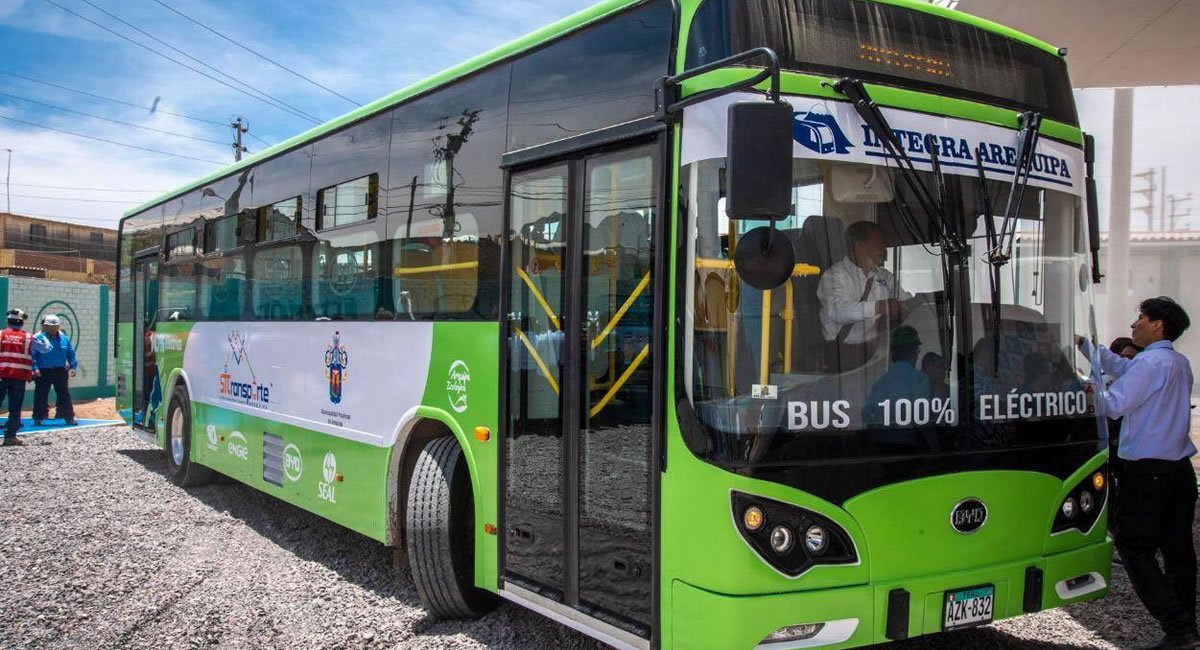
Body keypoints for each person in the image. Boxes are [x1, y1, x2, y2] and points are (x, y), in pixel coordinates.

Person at [1078, 296, 1194, 650]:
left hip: (1149, 472)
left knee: (1132, 545)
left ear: (1157, 325)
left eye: (1140, 318)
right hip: (1179, 471)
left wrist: (1089, 389)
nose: (1133, 325)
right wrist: (1087, 347)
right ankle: (1187, 627)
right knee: (1178, 550)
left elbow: (1113, 406)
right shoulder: (1176, 361)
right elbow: (1122, 369)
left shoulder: (1150, 364)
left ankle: (1177, 626)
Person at [817, 221, 912, 371]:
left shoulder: (884, 276)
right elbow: (837, 311)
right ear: (859, 245)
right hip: (845, 357)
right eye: (878, 242)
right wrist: (879, 307)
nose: (883, 248)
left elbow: (905, 301)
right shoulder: (834, 276)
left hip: (878, 351)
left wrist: (914, 304)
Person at [31, 314, 77, 426]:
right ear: (45, 326)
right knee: (40, 394)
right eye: (50, 326)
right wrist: (35, 368)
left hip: (60, 371)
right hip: (43, 371)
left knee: (64, 394)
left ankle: (68, 417)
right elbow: (33, 355)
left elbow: (70, 354)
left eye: (55, 326)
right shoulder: (39, 338)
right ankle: (39, 417)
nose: (53, 328)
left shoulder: (64, 339)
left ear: (58, 327)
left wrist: (73, 366)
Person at [0, 308, 34, 446]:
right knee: (15, 407)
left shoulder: (1, 334)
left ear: (8, 321)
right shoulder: (28, 337)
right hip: (19, 378)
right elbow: (46, 348)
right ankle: (10, 436)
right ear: (22, 323)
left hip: (1, 376)